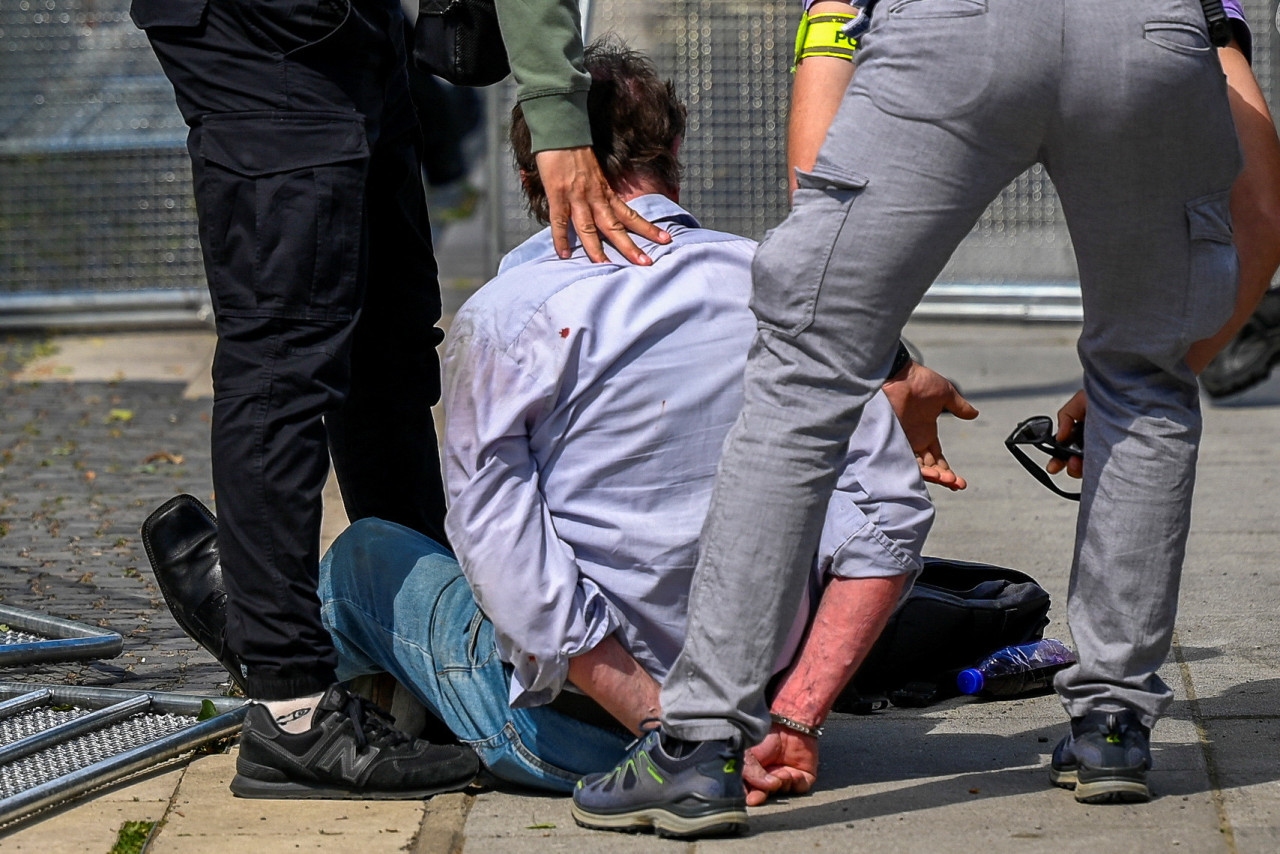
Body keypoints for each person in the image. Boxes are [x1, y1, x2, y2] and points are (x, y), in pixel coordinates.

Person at [574, 0, 1250, 835]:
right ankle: (1113, 723)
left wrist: (859, 336)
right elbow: (1259, 175)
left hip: (958, 28)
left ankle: (698, 741)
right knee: (1145, 383)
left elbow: (821, 120)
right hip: (1146, 32)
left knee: (802, 379)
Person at [316, 39, 974, 819]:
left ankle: (325, 695)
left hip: (579, 734)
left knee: (364, 556)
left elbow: (508, 557)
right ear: (676, 150)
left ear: (536, 176)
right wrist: (795, 719)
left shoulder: (510, 318)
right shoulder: (779, 288)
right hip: (760, 716)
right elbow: (887, 522)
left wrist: (676, 739)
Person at [130, 0, 667, 798]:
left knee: (388, 344)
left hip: (354, 31)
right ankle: (291, 707)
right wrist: (557, 113)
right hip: (265, 34)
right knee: (284, 356)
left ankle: (419, 655)